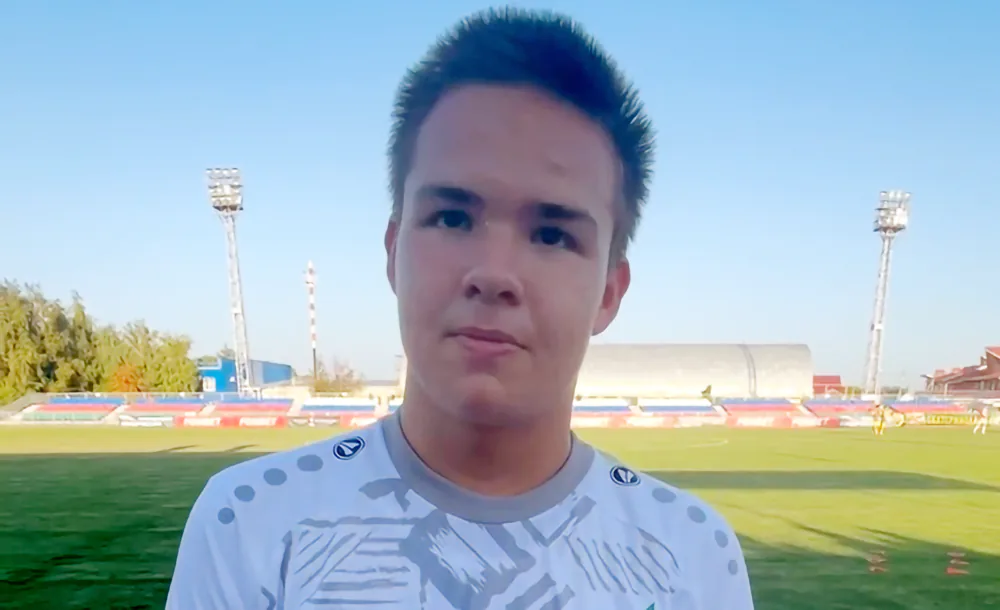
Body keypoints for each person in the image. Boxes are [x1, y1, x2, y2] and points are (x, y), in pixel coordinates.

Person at [167, 8, 754, 609]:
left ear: (609, 292)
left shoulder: (691, 556)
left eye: (552, 235)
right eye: (452, 218)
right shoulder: (251, 524)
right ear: (394, 252)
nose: (494, 273)